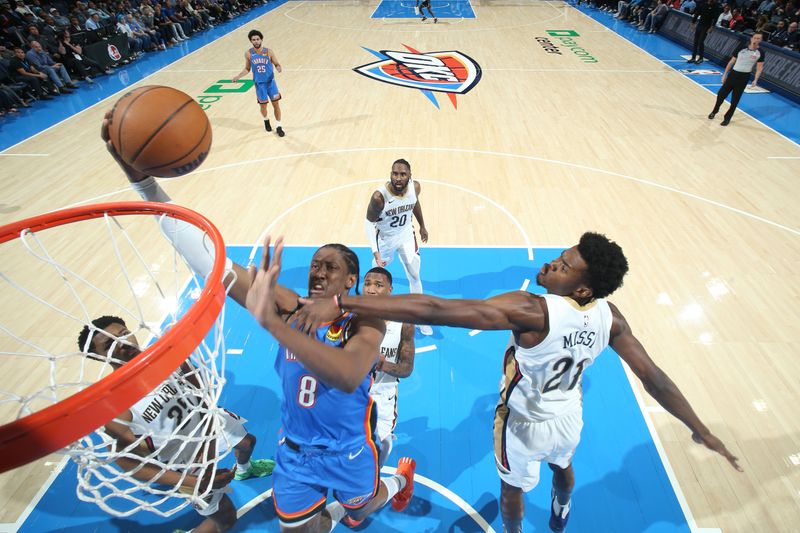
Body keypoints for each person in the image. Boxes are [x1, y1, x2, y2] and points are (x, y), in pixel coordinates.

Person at [291, 233, 743, 533]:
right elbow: (655, 379)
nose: (552, 263)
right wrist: (699, 428)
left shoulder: (532, 310)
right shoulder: (611, 318)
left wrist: (342, 301)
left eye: (564, 267)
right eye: (561, 256)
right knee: (563, 467)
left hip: (523, 421)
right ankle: (561, 511)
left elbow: (436, 309)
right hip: (569, 414)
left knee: (511, 492)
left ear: (582, 289)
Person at [101, 113, 416, 533]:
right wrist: (144, 184)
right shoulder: (290, 305)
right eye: (315, 266)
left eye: (331, 267)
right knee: (302, 529)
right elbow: (211, 263)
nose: (318, 272)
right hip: (296, 452)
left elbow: (346, 374)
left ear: (351, 280)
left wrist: (275, 322)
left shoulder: (367, 320)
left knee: (358, 514)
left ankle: (396, 480)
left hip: (349, 451)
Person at [77, 316, 276, 533]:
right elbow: (131, 466)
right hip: (181, 458)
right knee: (226, 519)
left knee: (247, 442)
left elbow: (203, 397)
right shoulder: (114, 407)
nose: (123, 343)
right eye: (109, 344)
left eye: (123, 333)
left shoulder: (167, 356)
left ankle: (244, 470)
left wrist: (207, 445)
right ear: (98, 357)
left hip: (206, 422)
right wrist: (195, 480)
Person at [365, 159, 432, 335]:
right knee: (377, 280)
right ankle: (373, 317)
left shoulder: (415, 187)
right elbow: (368, 223)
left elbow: (414, 202)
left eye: (403, 174)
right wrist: (375, 250)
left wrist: (422, 225)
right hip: (385, 241)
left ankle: (419, 317)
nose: (398, 178)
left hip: (406, 235)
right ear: (390, 174)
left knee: (414, 274)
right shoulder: (379, 197)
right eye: (395, 173)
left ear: (410, 176)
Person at [363, 267, 415, 470]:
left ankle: (398, 480)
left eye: (378, 285)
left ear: (390, 289)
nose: (371, 289)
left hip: (382, 396)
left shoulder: (404, 322)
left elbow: (407, 369)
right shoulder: (351, 316)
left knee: (380, 446)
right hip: (351, 391)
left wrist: (381, 364)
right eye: (367, 284)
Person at [232, 29, 284, 137]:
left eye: (257, 39)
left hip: (271, 83)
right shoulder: (248, 54)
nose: (256, 41)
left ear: (261, 40)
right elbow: (247, 69)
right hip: (260, 85)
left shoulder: (269, 51)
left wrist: (278, 67)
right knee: (263, 106)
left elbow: (276, 63)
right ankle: (266, 120)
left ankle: (279, 126)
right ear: (251, 41)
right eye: (253, 40)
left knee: (276, 104)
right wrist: (238, 76)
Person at [708, 31, 765, 126]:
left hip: (744, 77)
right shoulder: (741, 48)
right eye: (755, 38)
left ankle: (727, 118)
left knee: (735, 100)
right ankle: (715, 110)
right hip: (733, 74)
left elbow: (760, 68)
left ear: (761, 40)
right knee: (721, 94)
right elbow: (732, 61)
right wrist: (725, 74)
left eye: (758, 38)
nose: (756, 40)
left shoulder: (760, 53)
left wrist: (755, 79)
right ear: (751, 39)